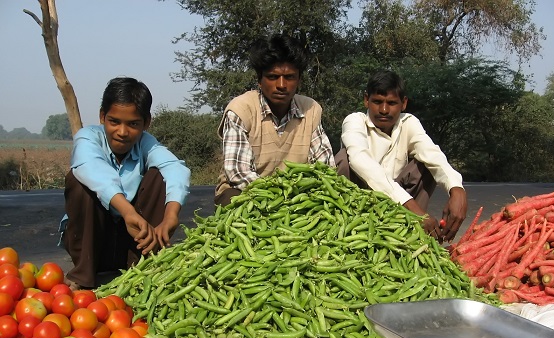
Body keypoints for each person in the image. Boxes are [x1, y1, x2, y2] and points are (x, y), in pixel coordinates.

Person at [59, 77, 191, 289]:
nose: (122, 132)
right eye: (114, 121)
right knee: (79, 180)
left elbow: (176, 168)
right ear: (102, 116)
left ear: (146, 123)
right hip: (93, 244)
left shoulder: (146, 143)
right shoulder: (88, 138)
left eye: (133, 124)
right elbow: (92, 168)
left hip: (134, 242)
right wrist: (128, 212)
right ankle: (83, 276)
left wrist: (171, 215)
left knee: (159, 176)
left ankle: (148, 266)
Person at [336, 69, 467, 242]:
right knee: (345, 160)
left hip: (399, 211)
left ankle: (410, 236)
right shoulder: (355, 121)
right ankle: (341, 226)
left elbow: (432, 154)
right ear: (366, 100)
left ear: (403, 103)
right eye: (377, 102)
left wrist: (457, 189)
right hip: (357, 204)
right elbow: (361, 161)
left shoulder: (408, 123)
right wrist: (413, 208)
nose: (383, 109)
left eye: (391, 103)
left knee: (426, 164)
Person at [214, 33, 335, 206]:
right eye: (272, 77)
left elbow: (325, 167)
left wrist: (300, 196)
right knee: (237, 204)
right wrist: (278, 199)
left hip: (297, 194)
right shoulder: (241, 109)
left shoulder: (311, 109)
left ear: (299, 79)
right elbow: (238, 173)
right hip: (246, 191)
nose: (281, 85)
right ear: (259, 80)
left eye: (289, 77)